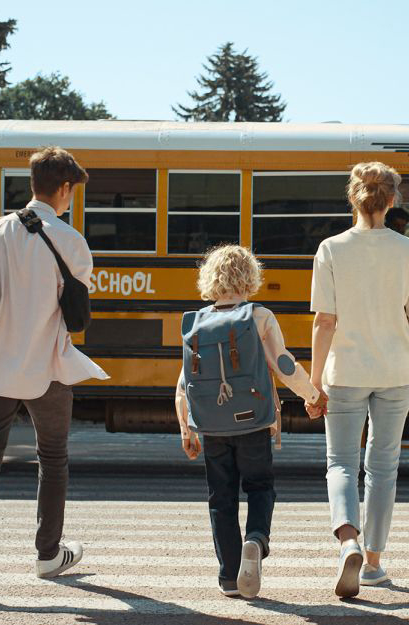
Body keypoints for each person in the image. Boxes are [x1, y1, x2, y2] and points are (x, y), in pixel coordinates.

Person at [0, 147, 109, 601]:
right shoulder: (71, 241)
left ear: (32, 182)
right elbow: (76, 316)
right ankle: (48, 553)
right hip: (47, 364)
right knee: (52, 458)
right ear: (66, 188)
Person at [309, 161, 409, 598]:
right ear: (392, 200)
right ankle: (375, 563)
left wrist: (313, 381)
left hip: (344, 371)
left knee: (341, 462)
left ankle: (349, 542)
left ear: (353, 196)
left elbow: (325, 321)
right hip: (398, 371)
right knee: (382, 468)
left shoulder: (331, 249)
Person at [175, 245, 325, 599]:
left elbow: (184, 382)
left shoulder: (196, 321)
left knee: (220, 498)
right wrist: (313, 395)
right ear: (249, 278)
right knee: (259, 487)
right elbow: (284, 364)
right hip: (254, 423)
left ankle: (229, 577)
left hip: (211, 426)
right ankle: (255, 539)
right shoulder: (259, 316)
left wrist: (185, 427)